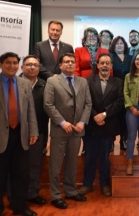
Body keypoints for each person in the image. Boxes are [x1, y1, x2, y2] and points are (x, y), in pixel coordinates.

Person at [0, 52, 38, 216]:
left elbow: (31, 110)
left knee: (21, 174)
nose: (12, 66)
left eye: (15, 63)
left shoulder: (24, 84)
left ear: (19, 65)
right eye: (8, 63)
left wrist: (33, 131)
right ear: (1, 64)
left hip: (21, 135)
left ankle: (20, 205)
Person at [44, 53, 92, 209]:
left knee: (72, 163)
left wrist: (82, 122)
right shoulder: (52, 81)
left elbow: (88, 105)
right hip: (60, 130)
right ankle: (56, 195)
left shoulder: (82, 81)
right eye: (66, 62)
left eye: (72, 61)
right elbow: (48, 105)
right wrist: (62, 123)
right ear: (60, 65)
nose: (70, 64)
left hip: (77, 130)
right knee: (56, 165)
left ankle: (71, 191)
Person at [79, 53, 124, 197]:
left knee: (105, 158)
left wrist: (104, 114)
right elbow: (85, 101)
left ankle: (105, 185)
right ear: (97, 65)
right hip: (91, 126)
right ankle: (87, 184)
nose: (105, 65)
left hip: (108, 125)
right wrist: (95, 116)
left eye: (107, 63)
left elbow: (120, 102)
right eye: (102, 63)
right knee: (90, 157)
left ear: (111, 66)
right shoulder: (87, 81)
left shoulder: (118, 82)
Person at [20, 55, 49, 206]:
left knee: (35, 165)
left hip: (39, 132)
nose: (32, 67)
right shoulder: (14, 84)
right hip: (16, 132)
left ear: (39, 69)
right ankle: (16, 197)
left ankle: (32, 193)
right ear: (22, 67)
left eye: (35, 65)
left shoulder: (44, 85)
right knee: (17, 166)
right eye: (28, 64)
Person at [110, 36, 132, 150]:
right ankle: (112, 141)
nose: (119, 45)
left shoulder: (130, 58)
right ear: (113, 46)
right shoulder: (110, 57)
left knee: (125, 117)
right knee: (114, 116)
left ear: (125, 45)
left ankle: (124, 139)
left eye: (121, 43)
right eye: (117, 43)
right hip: (113, 90)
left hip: (128, 91)